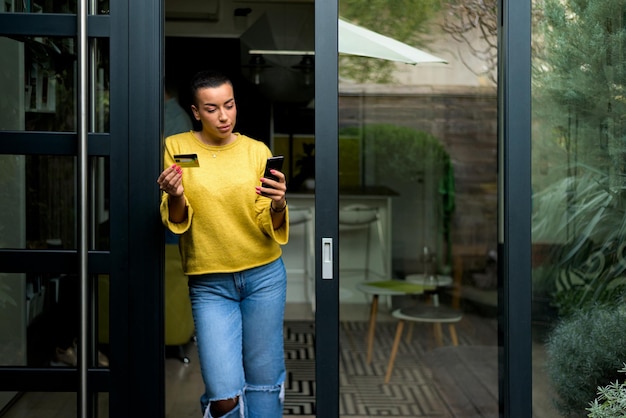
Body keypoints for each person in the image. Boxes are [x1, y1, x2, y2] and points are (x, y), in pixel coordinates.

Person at [156, 70, 289, 418]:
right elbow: (178, 218)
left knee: (263, 382)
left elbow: (265, 218)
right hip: (210, 282)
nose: (224, 116)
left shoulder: (256, 151)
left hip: (264, 277)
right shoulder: (178, 147)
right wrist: (175, 195)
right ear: (196, 112)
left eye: (228, 105)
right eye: (212, 108)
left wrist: (277, 204)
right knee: (223, 394)